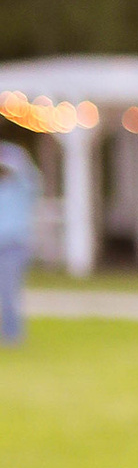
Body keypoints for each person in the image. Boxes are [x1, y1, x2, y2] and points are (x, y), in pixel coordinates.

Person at [0, 138, 39, 346]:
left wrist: (7, 152)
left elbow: (26, 173)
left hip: (13, 246)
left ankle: (12, 335)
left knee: (8, 292)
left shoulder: (21, 188)